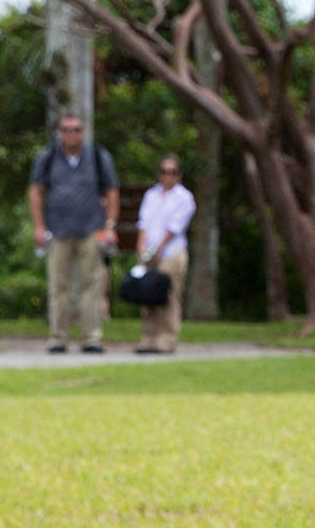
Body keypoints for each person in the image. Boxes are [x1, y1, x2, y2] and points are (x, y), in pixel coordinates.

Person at [27, 112, 118, 355]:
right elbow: (36, 191)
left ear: (83, 132)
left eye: (76, 130)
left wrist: (109, 226)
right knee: (59, 286)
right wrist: (39, 226)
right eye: (66, 130)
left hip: (91, 229)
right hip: (58, 230)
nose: (71, 134)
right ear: (59, 133)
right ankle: (58, 337)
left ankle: (91, 338)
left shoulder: (98, 157)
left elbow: (111, 191)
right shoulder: (47, 158)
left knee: (91, 285)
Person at [129, 155, 195, 354]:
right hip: (148, 253)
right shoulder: (152, 195)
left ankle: (166, 338)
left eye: (173, 172)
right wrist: (142, 248)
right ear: (159, 174)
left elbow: (174, 227)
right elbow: (143, 223)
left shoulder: (184, 198)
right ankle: (148, 337)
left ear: (179, 175)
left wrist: (158, 249)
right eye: (165, 172)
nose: (169, 176)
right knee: (147, 296)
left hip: (171, 253)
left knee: (168, 296)